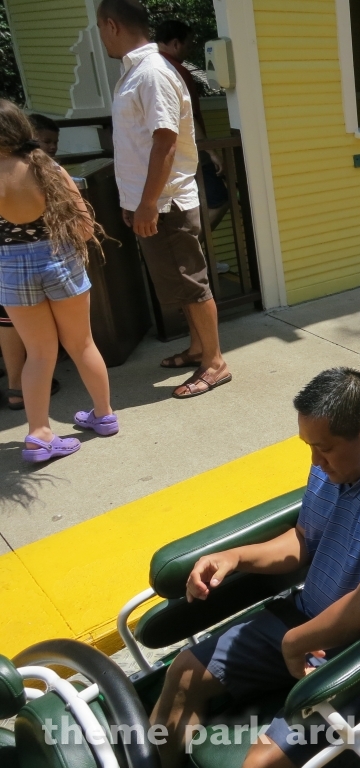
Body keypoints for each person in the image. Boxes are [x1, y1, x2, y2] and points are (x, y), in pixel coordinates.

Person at [149, 368, 360, 768]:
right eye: (309, 447)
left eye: (323, 449)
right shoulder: (337, 462)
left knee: (259, 765)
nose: (315, 460)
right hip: (305, 620)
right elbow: (305, 539)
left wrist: (294, 642)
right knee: (183, 675)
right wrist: (237, 557)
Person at [97, 0, 231, 398]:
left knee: (191, 282)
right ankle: (197, 349)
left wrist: (148, 202)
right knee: (178, 283)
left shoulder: (152, 73)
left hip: (167, 204)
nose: (101, 37)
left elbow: (166, 141)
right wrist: (134, 198)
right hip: (155, 201)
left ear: (112, 25)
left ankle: (215, 363)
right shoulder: (136, 72)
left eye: (100, 29)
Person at [0, 100, 118, 462]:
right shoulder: (46, 167)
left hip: (12, 268)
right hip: (58, 259)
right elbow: (83, 228)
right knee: (82, 343)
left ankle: (39, 436)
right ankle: (104, 415)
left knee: (38, 353)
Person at [1, 113, 65, 408]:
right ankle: (19, 388)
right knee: (30, 338)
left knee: (7, 323)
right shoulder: (38, 170)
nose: (50, 147)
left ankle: (17, 386)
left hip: (6, 263)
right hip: (28, 261)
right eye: (45, 140)